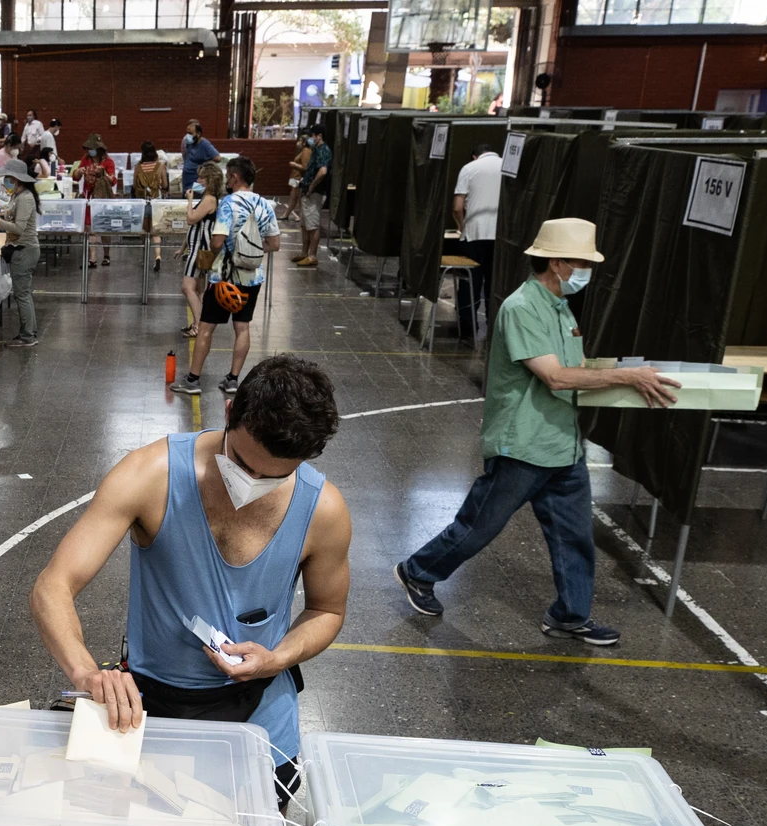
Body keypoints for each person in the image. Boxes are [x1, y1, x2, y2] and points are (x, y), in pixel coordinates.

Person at [31, 356, 351, 809]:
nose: (252, 481)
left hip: (261, 718)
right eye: (241, 461)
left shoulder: (323, 511)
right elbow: (53, 585)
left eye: (274, 475)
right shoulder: (150, 475)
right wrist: (85, 671)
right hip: (152, 711)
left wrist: (276, 657)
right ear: (229, 411)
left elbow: (327, 610)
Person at [393, 219, 681, 645]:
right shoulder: (523, 307)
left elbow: (577, 369)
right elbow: (557, 378)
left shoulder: (561, 307)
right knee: (480, 524)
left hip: (561, 443)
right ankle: (417, 572)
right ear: (557, 262)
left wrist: (625, 372)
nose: (587, 271)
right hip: (523, 444)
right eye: (582, 262)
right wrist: (627, 379)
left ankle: (570, 615)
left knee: (574, 535)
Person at [175, 157, 279, 396]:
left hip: (224, 278)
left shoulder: (228, 204)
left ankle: (193, 380)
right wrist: (250, 248)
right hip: (252, 278)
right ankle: (233, 379)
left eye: (229, 176)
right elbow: (275, 243)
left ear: (234, 177)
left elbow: (217, 242)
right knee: (242, 328)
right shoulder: (264, 204)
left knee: (206, 329)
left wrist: (219, 247)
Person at [0, 159, 40, 348]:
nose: (5, 181)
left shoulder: (25, 198)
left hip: (25, 251)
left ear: (17, 179)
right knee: (24, 293)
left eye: (8, 178)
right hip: (21, 250)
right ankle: (29, 332)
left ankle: (28, 337)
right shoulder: (17, 196)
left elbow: (18, 228)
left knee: (22, 294)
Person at [452, 143, 503, 345]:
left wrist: (461, 227)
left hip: (474, 234)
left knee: (469, 283)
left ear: (475, 156)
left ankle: (468, 330)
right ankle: (495, 330)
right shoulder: (508, 165)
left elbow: (457, 207)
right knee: (494, 283)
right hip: (500, 235)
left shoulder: (469, 168)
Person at [178, 162, 223, 340]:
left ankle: (198, 325)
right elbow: (195, 226)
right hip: (197, 246)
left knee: (187, 287)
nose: (197, 180)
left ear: (209, 180)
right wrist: (182, 247)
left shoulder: (209, 199)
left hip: (199, 249)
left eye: (201, 177)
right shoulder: (207, 198)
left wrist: (189, 200)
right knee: (199, 288)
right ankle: (201, 323)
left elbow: (191, 219)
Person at [73, 137, 118, 268]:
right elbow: (75, 176)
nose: (90, 151)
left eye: (92, 149)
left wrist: (103, 173)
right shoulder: (85, 159)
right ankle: (92, 258)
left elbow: (113, 180)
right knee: (89, 227)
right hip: (89, 197)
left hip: (103, 198)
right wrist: (79, 171)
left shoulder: (108, 162)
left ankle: (106, 255)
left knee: (104, 228)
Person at [292, 125, 332, 268]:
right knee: (305, 224)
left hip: (314, 193)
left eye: (312, 135)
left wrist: (312, 186)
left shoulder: (324, 150)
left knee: (313, 226)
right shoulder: (316, 150)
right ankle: (304, 253)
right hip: (307, 191)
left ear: (319, 136)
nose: (310, 139)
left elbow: (322, 171)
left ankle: (312, 256)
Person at [134, 142, 169, 272]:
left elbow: (134, 185)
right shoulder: (160, 166)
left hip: (143, 202)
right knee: (156, 231)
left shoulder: (138, 167)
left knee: (145, 231)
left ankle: (145, 257)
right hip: (156, 201)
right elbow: (165, 184)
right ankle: (158, 256)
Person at [180, 118, 221, 192]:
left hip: (197, 182)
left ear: (198, 134)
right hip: (187, 180)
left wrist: (204, 164)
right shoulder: (189, 143)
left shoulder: (204, 144)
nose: (188, 136)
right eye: (187, 134)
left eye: (191, 134)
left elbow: (218, 158)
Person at [283, 134, 312, 222]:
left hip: (300, 178)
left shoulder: (306, 151)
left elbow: (305, 167)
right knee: (293, 196)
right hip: (296, 178)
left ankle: (300, 215)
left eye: (300, 140)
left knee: (299, 198)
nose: (298, 142)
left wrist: (294, 164)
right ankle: (286, 214)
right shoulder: (302, 150)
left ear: (304, 143)